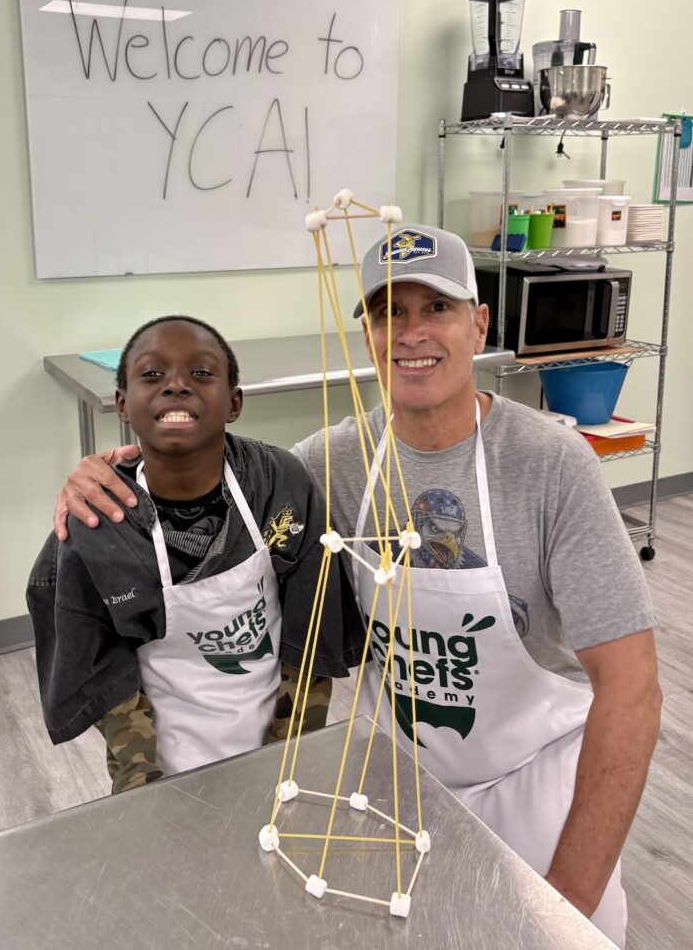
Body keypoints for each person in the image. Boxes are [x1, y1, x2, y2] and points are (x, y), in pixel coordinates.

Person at [53, 229, 660, 948]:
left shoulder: (550, 467)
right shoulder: (326, 467)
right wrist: (106, 480)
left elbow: (632, 691)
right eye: (387, 313)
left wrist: (568, 900)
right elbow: (196, 477)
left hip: (537, 781)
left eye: (436, 306)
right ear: (367, 333)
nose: (411, 334)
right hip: (396, 791)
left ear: (480, 322)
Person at [28, 315, 362, 795]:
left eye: (202, 373)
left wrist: (289, 758)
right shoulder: (98, 521)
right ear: (122, 405)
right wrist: (143, 788)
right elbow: (102, 670)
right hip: (163, 758)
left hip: (278, 740)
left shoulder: (279, 485)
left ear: (235, 402)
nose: (177, 386)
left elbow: (311, 639)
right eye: (152, 375)